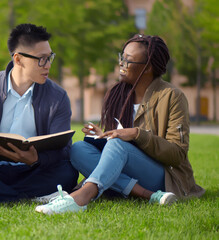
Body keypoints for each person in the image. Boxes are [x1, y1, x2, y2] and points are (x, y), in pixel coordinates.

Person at [35, 34, 205, 214]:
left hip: (164, 176)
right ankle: (146, 194)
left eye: (128, 61)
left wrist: (138, 134)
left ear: (147, 67)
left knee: (118, 144)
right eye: (121, 57)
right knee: (78, 149)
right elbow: (121, 144)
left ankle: (83, 196)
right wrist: (103, 135)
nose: (121, 64)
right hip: (131, 169)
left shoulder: (172, 96)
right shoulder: (118, 96)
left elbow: (177, 154)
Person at [0, 23, 78, 203]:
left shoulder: (58, 97)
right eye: (41, 59)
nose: (47, 65)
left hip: (34, 171)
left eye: (50, 58)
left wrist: (36, 159)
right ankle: (30, 197)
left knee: (68, 172)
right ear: (18, 59)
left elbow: (63, 150)